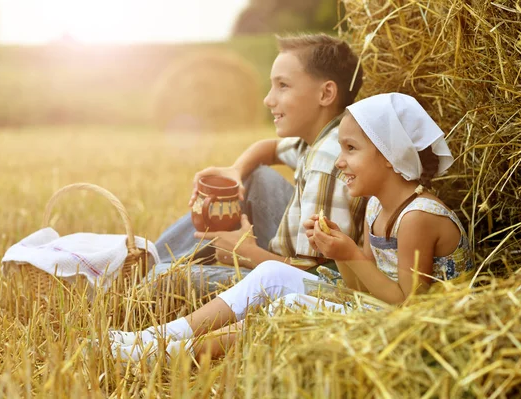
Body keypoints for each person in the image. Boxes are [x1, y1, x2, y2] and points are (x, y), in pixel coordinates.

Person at [106, 92, 474, 364]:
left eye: (350, 148)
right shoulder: (377, 204)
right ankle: (155, 339)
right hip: (380, 309)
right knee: (270, 273)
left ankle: (174, 355)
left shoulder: (418, 217)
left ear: (392, 154)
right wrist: (340, 251)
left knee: (293, 304)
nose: (340, 161)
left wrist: (346, 253)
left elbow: (409, 307)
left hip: (416, 331)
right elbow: (360, 284)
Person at [150, 33, 365, 292]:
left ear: (326, 93)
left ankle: (146, 265)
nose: (268, 99)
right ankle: (149, 258)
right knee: (257, 176)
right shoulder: (324, 136)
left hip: (302, 281)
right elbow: (270, 149)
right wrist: (235, 172)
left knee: (160, 277)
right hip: (289, 258)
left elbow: (321, 278)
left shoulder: (326, 160)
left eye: (282, 85)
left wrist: (247, 255)